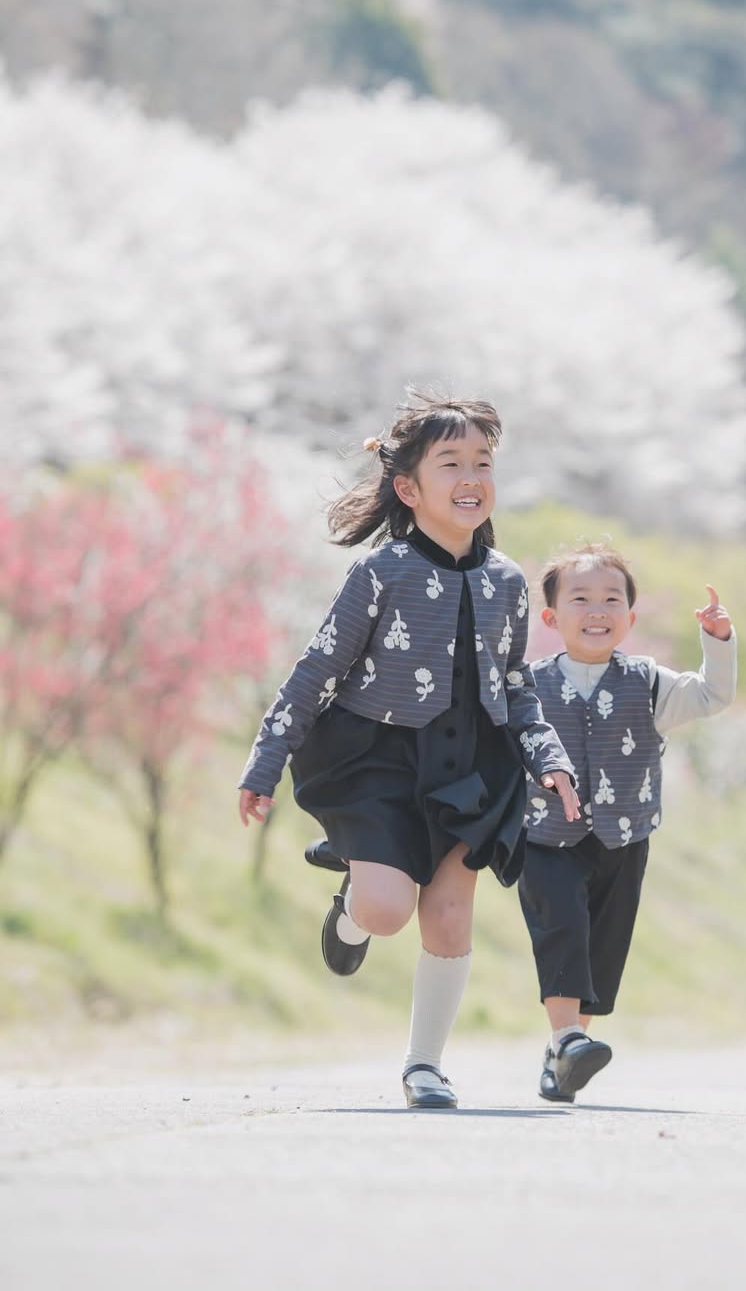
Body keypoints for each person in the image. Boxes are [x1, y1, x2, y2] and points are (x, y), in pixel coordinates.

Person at [238, 392, 578, 1110]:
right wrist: (265, 761)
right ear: (408, 488)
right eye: (451, 463)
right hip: (379, 764)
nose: (471, 477)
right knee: (387, 911)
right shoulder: (381, 572)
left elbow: (516, 686)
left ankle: (425, 1066)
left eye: (483, 462)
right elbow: (317, 671)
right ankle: (353, 906)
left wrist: (548, 758)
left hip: (475, 770)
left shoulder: (508, 581)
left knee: (449, 917)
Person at [517, 542, 736, 1103]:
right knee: (562, 926)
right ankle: (567, 1038)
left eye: (612, 600)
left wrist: (717, 642)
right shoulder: (527, 686)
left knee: (602, 947)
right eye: (581, 599)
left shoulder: (650, 682)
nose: (597, 611)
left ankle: (565, 1053)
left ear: (630, 619)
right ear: (551, 618)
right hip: (545, 836)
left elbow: (712, 695)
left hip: (624, 837)